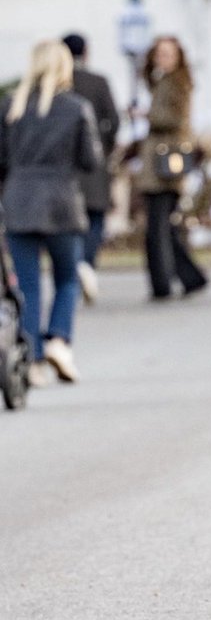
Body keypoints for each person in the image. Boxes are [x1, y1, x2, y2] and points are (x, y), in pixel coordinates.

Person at [0, 40, 102, 386]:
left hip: (19, 203)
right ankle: (59, 340)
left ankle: (32, 360)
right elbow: (91, 160)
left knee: (27, 285)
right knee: (67, 278)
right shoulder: (77, 108)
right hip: (62, 202)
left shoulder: (10, 107)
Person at [136, 36, 209, 300]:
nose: (162, 59)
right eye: (159, 54)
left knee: (159, 229)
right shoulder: (162, 80)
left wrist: (146, 115)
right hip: (160, 163)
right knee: (165, 228)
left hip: (165, 164)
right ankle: (190, 278)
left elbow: (176, 119)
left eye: (167, 54)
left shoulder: (177, 82)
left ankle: (164, 283)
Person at [62, 33, 121, 302]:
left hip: (64, 166)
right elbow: (114, 121)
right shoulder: (98, 82)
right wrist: (103, 147)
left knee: (71, 222)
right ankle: (86, 264)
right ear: (85, 52)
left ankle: (76, 263)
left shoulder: (57, 84)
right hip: (94, 164)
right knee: (95, 217)